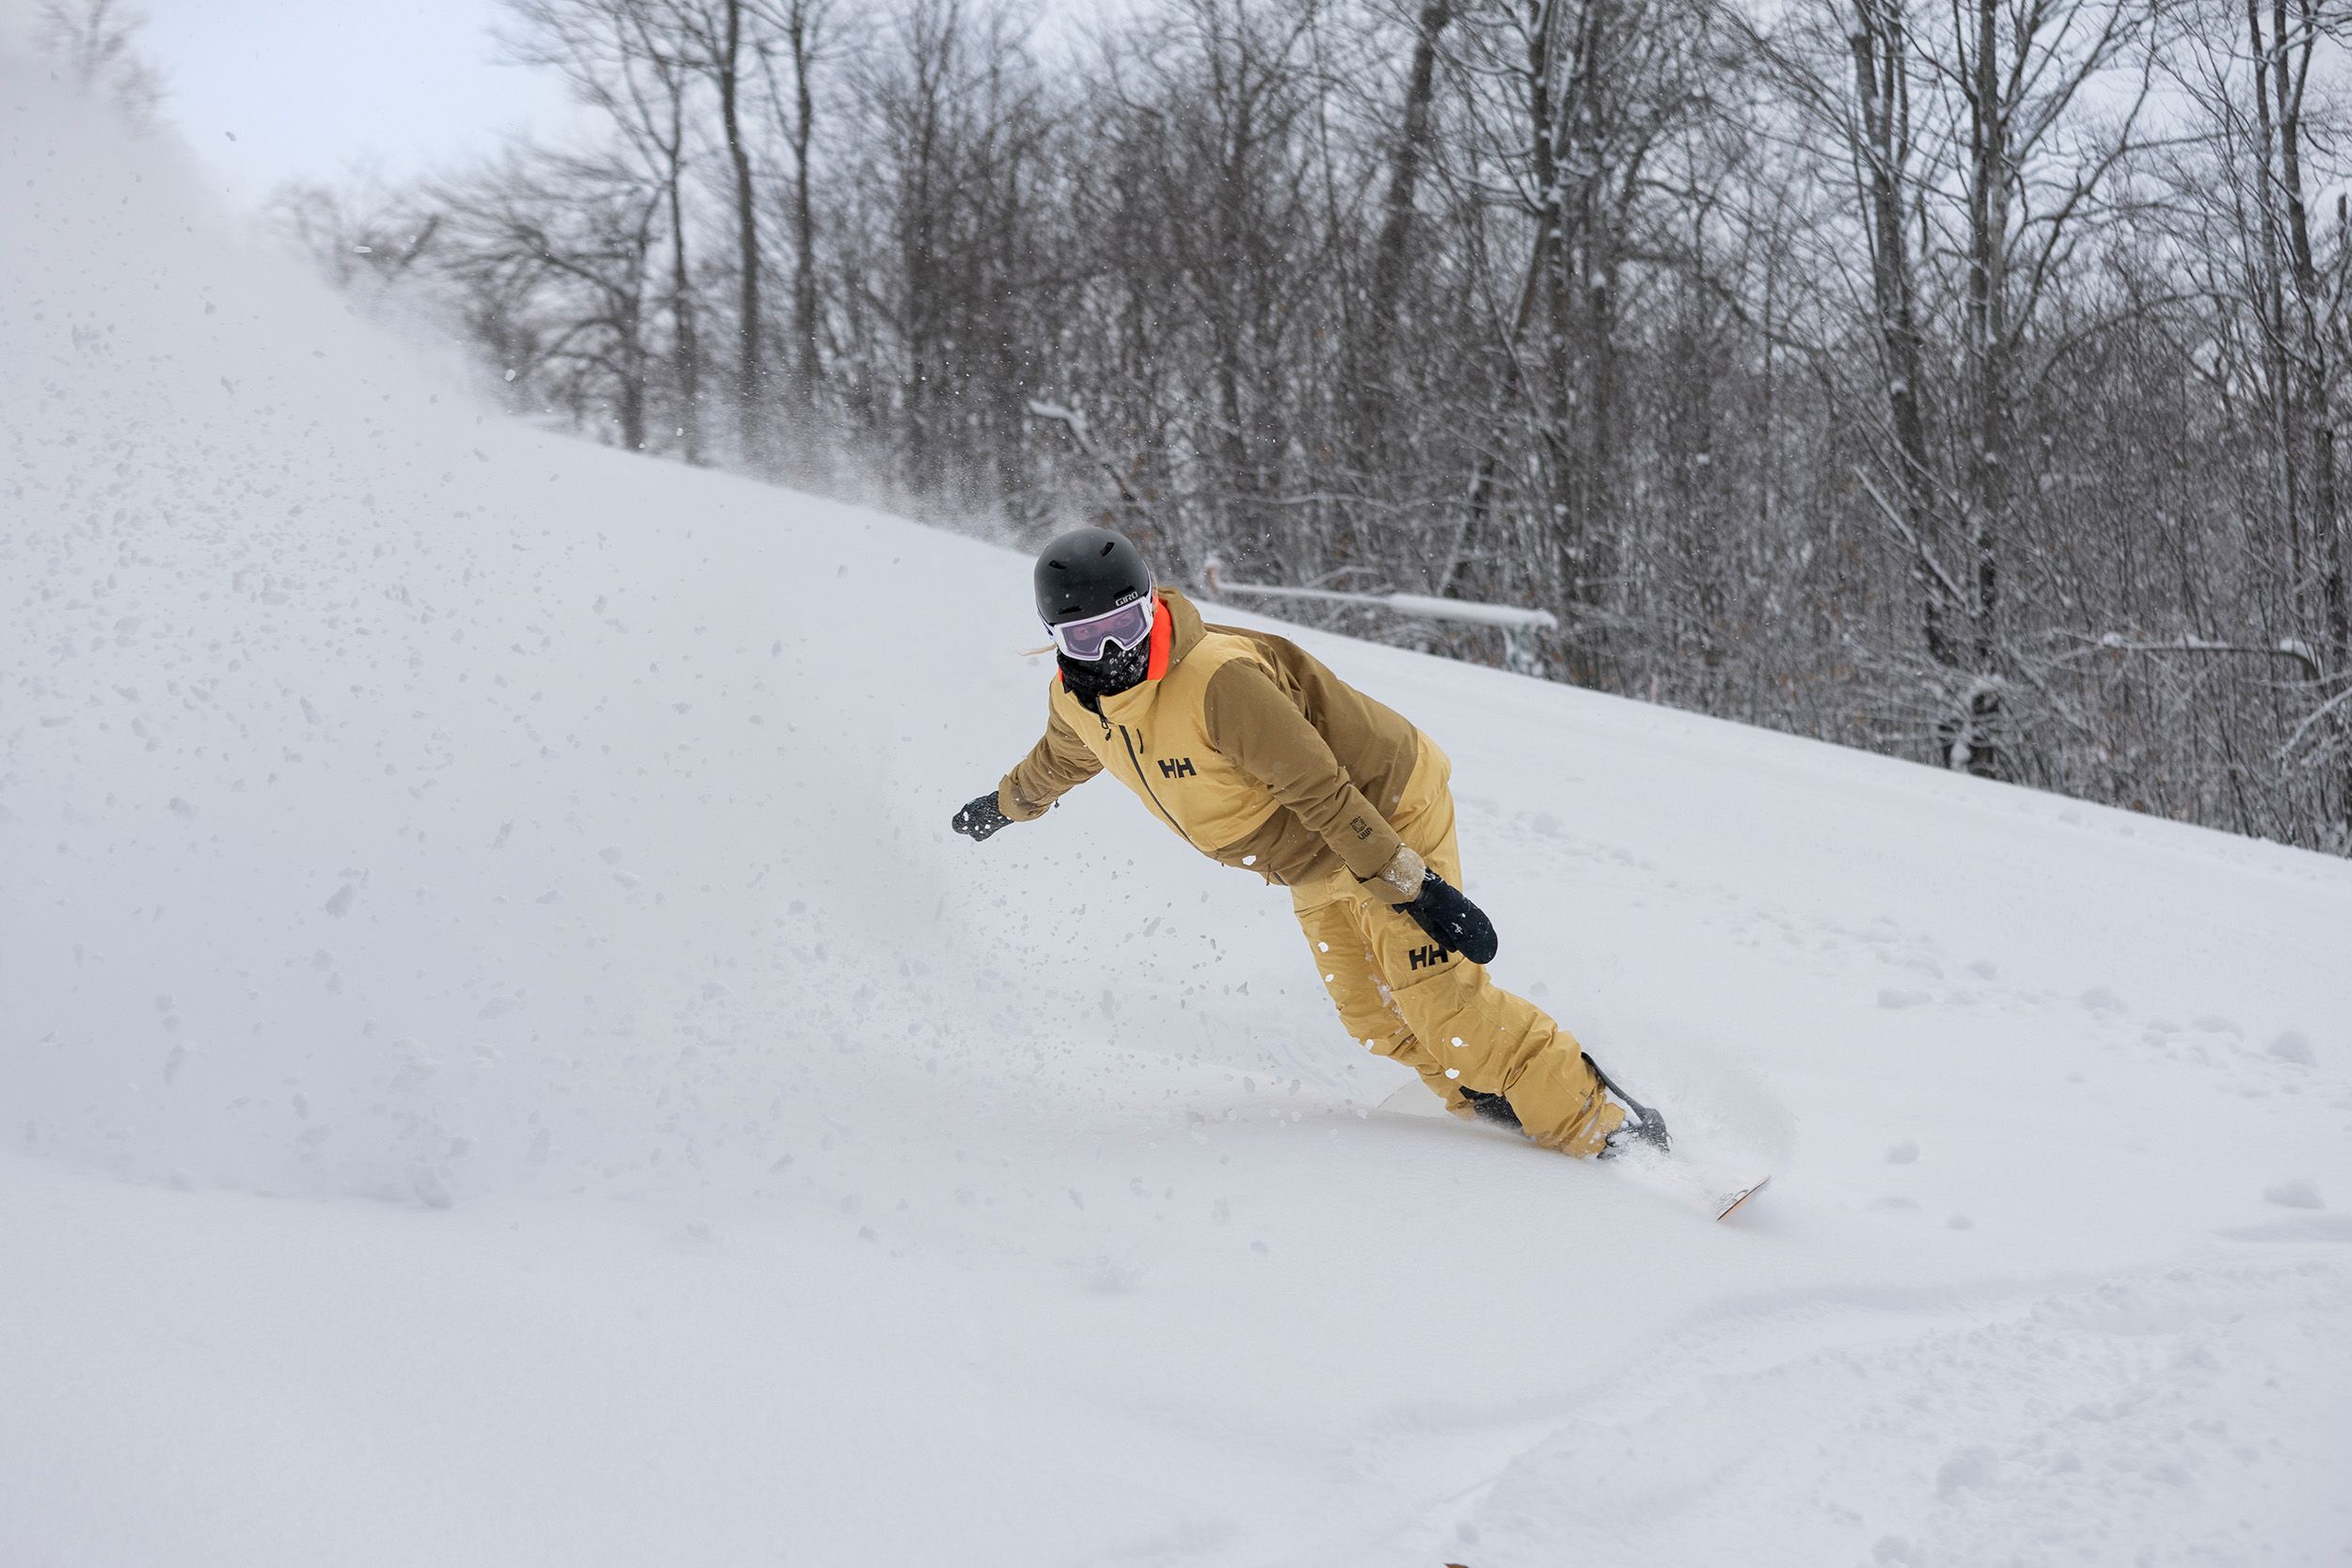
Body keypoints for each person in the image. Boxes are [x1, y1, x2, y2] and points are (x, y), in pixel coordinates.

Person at [951, 527, 1667, 1160]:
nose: (1114, 653)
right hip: (1310, 858)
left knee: (1444, 1008)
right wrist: (1004, 806)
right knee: (1374, 1018)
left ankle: (1604, 1125)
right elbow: (1059, 759)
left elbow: (1323, 791)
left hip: (1381, 812)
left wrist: (1417, 888)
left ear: (1151, 604)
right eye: (1087, 639)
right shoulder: (1078, 705)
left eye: (1127, 625)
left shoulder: (1218, 682)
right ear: (1056, 639)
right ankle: (1492, 1096)